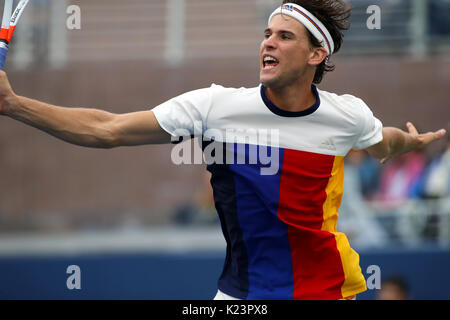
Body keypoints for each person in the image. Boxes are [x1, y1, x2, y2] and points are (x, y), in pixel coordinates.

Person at [0, 0, 446, 300]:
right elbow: (107, 128)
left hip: (324, 289)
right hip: (240, 295)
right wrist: (14, 105)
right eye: (267, 33)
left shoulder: (345, 115)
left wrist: (413, 141)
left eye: (285, 37)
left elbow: (383, 140)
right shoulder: (214, 106)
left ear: (316, 55)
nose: (268, 42)